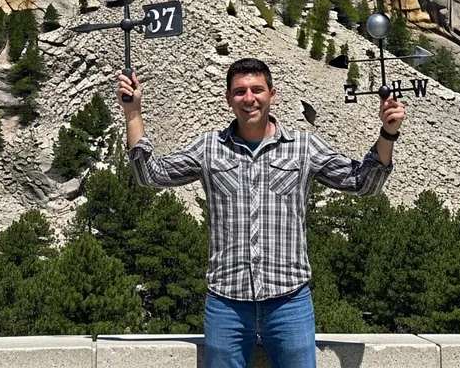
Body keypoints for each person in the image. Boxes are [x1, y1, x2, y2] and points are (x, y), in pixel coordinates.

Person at [117, 57, 405, 368]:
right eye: (239, 92)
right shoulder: (208, 148)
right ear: (229, 99)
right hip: (226, 302)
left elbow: (364, 183)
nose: (249, 98)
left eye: (257, 90)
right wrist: (133, 112)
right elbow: (150, 174)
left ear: (272, 94)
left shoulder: (303, 147)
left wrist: (388, 133)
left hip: (289, 301)